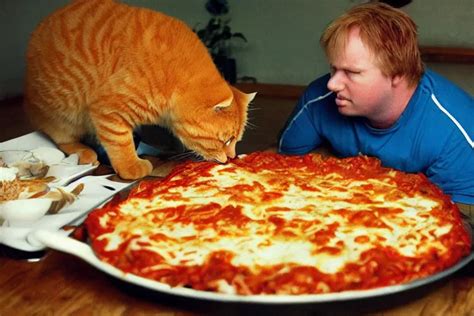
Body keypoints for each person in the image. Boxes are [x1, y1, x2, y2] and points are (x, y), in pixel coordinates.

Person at [277, 2, 474, 217]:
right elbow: (281, 176)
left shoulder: (456, 130)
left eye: (351, 72)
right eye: (333, 69)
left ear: (397, 74)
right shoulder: (318, 99)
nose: (332, 84)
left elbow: (457, 224)